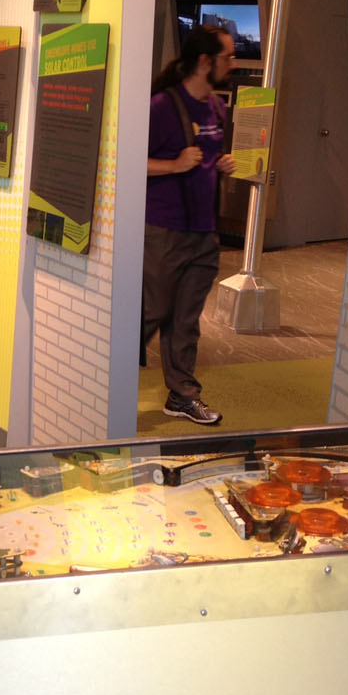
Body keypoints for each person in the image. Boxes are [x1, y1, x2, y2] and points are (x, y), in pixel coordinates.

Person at [141, 25, 237, 426]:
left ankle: (182, 395)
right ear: (205, 61)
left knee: (185, 319)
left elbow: (208, 160)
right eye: (228, 57)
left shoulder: (215, 107)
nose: (232, 63)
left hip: (203, 233)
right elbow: (126, 161)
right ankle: (103, 382)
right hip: (164, 230)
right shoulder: (162, 106)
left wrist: (223, 167)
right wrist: (173, 165)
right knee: (151, 311)